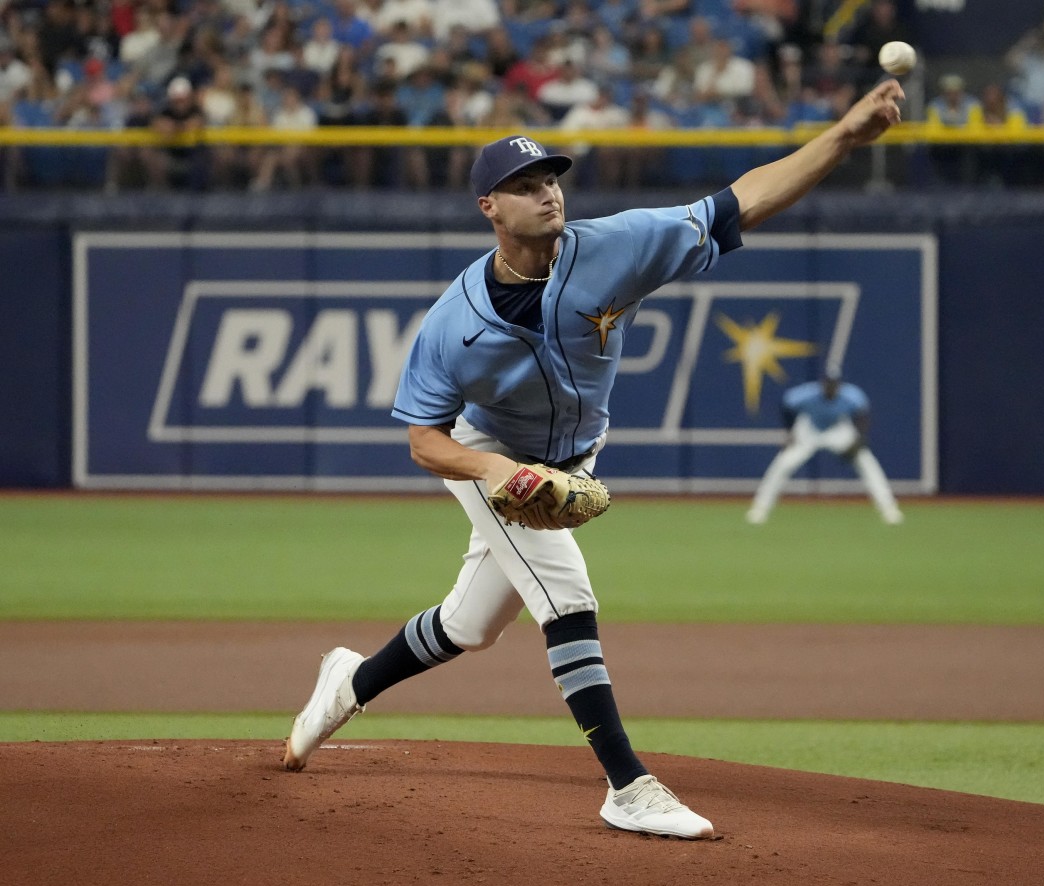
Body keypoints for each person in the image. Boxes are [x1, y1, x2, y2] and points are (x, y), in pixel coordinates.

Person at [282, 78, 906, 839]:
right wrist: (492, 473)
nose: (547, 193)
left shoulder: (613, 247)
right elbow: (424, 437)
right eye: (524, 185)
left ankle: (351, 679)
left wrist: (842, 135)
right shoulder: (451, 324)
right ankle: (627, 783)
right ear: (489, 208)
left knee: (469, 623)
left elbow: (738, 201)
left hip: (572, 458)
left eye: (550, 178)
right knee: (566, 594)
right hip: (491, 455)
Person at [746, 367, 903, 526]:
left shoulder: (851, 396)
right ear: (822, 383)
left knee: (866, 461)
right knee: (784, 463)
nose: (831, 387)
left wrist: (859, 439)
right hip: (809, 429)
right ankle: (760, 508)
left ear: (839, 385)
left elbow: (862, 414)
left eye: (834, 384)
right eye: (828, 384)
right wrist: (790, 433)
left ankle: (889, 509)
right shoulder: (806, 394)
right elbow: (786, 406)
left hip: (837, 429)